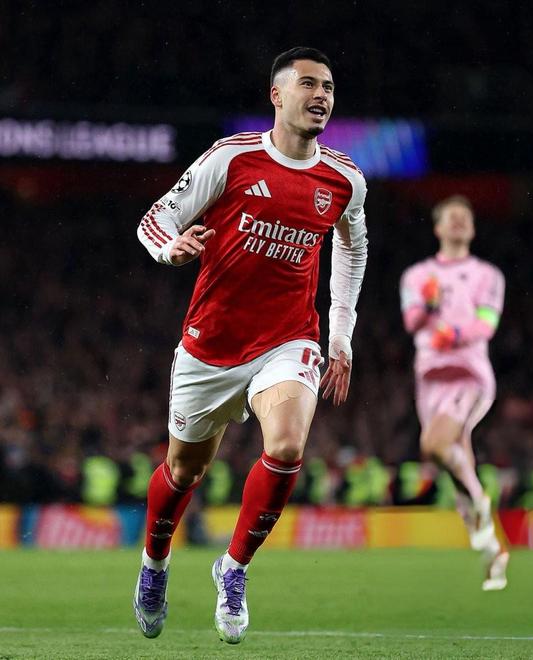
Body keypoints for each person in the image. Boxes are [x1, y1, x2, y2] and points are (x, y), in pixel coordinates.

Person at [133, 47, 367, 644]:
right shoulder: (232, 158)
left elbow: (352, 248)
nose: (321, 96)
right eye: (308, 84)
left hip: (289, 338)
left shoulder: (344, 179)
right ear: (276, 95)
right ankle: (154, 564)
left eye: (328, 87)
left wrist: (340, 335)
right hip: (211, 345)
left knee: (286, 447)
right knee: (183, 471)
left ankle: (233, 569)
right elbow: (156, 217)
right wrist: (170, 248)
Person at [399, 195, 508, 591]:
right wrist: (430, 304)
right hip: (430, 379)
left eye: (466, 217)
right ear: (438, 227)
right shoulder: (417, 276)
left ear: (473, 229)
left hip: (467, 373)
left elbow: (487, 324)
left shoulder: (488, 275)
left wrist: (456, 333)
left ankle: (481, 503)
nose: (459, 221)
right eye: (452, 217)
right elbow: (412, 322)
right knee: (455, 462)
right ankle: (491, 548)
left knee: (434, 444)